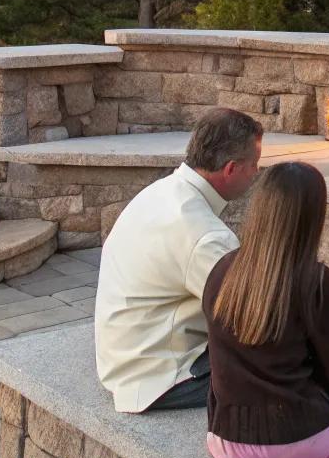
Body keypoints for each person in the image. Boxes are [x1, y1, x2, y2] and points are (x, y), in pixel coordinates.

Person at [202, 160, 329, 458]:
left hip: (226, 439)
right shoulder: (315, 281)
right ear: (313, 218)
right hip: (300, 438)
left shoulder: (221, 272)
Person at [95, 107, 262, 414]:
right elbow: (246, 318)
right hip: (159, 378)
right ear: (230, 169)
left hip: (121, 357)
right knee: (284, 368)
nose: (256, 173)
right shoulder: (206, 236)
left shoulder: (159, 192)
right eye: (254, 164)